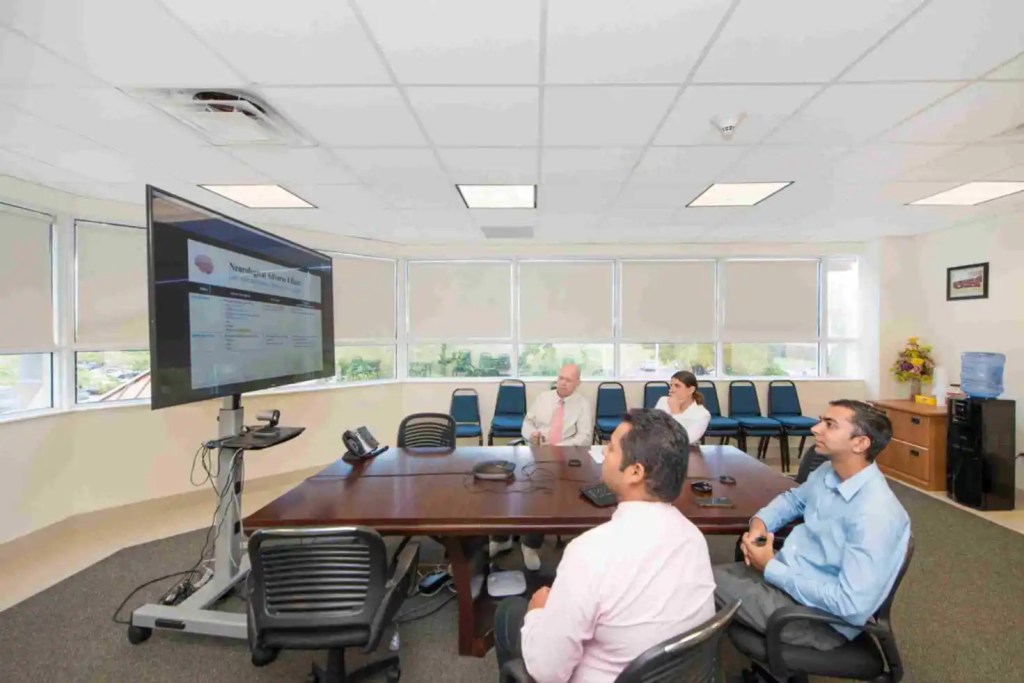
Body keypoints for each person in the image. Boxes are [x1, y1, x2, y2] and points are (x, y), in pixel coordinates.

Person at [493, 409, 716, 683]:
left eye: (609, 448)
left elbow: (547, 670)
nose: (603, 454)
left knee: (510, 612)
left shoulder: (589, 552)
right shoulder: (694, 538)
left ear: (635, 472)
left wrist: (538, 611)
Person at [713, 399, 911, 651]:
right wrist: (761, 524)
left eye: (830, 425)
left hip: (815, 620)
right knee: (699, 572)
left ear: (860, 443)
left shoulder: (876, 514)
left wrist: (771, 567)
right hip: (790, 579)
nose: (816, 429)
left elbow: (851, 606)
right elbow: (794, 500)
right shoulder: (829, 472)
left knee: (696, 581)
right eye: (821, 421)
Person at [491, 363, 593, 570]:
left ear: (578, 383)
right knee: (509, 489)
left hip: (564, 459)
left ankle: (530, 545)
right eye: (561, 378)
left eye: (568, 380)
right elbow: (527, 424)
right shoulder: (543, 399)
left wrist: (556, 447)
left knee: (543, 497)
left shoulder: (583, 404)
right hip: (535, 454)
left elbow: (585, 437)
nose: (562, 383)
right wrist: (532, 434)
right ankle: (503, 539)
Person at [653, 370, 711, 443]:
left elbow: (685, 440)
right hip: (659, 450)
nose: (671, 390)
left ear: (691, 390)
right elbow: (654, 431)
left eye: (677, 386)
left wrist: (675, 411)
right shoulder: (663, 401)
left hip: (687, 452)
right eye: (671, 385)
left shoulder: (702, 414)